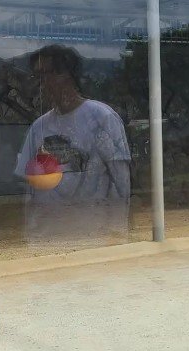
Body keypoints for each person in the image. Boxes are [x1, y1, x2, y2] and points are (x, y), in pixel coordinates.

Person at [15, 44, 131, 246]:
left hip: (92, 239)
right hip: (47, 240)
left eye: (45, 74)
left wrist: (117, 234)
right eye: (36, 76)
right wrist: (31, 234)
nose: (40, 84)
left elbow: (121, 182)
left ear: (65, 74)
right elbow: (30, 189)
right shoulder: (38, 127)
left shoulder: (101, 118)